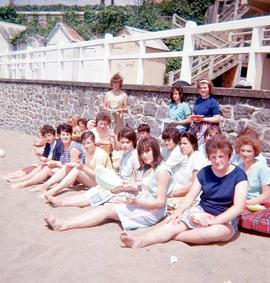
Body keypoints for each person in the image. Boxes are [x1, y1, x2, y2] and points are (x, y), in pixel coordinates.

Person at [120, 134, 248, 248]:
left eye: (221, 156)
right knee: (174, 222)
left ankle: (175, 236)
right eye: (213, 157)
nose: (217, 160)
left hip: (225, 217)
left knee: (220, 232)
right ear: (209, 157)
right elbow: (191, 197)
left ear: (228, 156)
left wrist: (213, 221)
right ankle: (140, 241)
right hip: (202, 210)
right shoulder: (205, 172)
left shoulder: (239, 175)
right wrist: (179, 211)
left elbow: (238, 207)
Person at [43, 136, 173, 231]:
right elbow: (143, 188)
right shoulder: (150, 167)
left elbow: (160, 203)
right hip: (144, 202)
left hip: (153, 211)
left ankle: (64, 225)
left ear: (155, 150)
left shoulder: (162, 171)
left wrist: (135, 202)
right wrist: (127, 196)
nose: (144, 155)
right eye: (142, 152)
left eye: (148, 151)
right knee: (107, 206)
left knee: (107, 210)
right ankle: (67, 221)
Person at [45, 127, 139, 207]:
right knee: (92, 192)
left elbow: (136, 182)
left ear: (133, 142)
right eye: (122, 142)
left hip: (120, 186)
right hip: (115, 182)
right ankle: (62, 200)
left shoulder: (134, 157)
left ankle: (63, 203)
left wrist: (121, 187)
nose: (125, 145)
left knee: (98, 193)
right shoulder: (126, 154)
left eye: (127, 142)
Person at [11, 123, 84, 190]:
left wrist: (54, 163)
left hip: (74, 177)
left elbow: (72, 168)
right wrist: (43, 157)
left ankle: (26, 183)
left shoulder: (73, 148)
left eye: (67, 134)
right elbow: (62, 162)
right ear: (59, 136)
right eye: (63, 134)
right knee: (45, 166)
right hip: (65, 171)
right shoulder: (63, 146)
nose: (65, 137)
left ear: (71, 135)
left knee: (47, 168)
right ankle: (24, 180)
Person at [43, 130, 112, 198]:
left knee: (77, 170)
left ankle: (54, 190)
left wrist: (83, 167)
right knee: (69, 166)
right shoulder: (87, 151)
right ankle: (46, 185)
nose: (86, 146)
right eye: (84, 143)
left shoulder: (100, 155)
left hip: (103, 183)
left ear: (94, 142)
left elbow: (99, 176)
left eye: (88, 143)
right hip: (93, 179)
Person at [235, 135, 270, 234]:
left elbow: (266, 194)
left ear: (255, 152)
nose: (245, 154)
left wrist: (247, 203)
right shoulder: (238, 167)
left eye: (249, 151)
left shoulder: (262, 168)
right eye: (243, 150)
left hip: (256, 204)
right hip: (240, 201)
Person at [169, 132, 206, 197]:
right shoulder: (188, 157)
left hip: (193, 196)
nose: (182, 146)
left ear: (193, 144)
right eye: (180, 144)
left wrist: (173, 194)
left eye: (184, 143)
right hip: (183, 192)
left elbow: (195, 184)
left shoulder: (197, 157)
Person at [190, 78, 220, 146]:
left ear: (209, 88)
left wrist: (203, 119)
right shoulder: (198, 101)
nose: (202, 90)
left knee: (197, 145)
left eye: (205, 88)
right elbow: (195, 112)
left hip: (206, 127)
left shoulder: (213, 102)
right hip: (195, 125)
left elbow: (217, 119)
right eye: (200, 88)